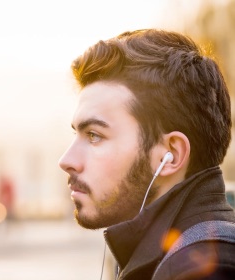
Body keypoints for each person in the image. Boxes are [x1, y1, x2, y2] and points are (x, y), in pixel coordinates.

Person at [58, 29, 235, 279]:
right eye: (76, 134)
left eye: (94, 135)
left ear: (170, 154)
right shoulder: (171, 257)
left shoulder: (203, 270)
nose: (67, 161)